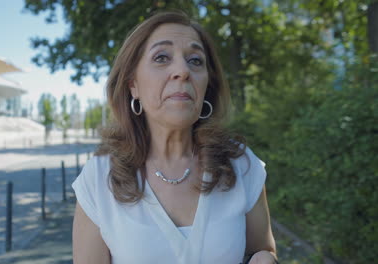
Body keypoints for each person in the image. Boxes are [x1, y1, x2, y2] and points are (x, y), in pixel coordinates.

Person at [72, 11, 278, 264]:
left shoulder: (242, 165)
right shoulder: (98, 179)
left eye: (195, 60)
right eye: (161, 57)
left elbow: (263, 249)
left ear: (206, 86)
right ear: (132, 85)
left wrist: (265, 258)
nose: (182, 70)